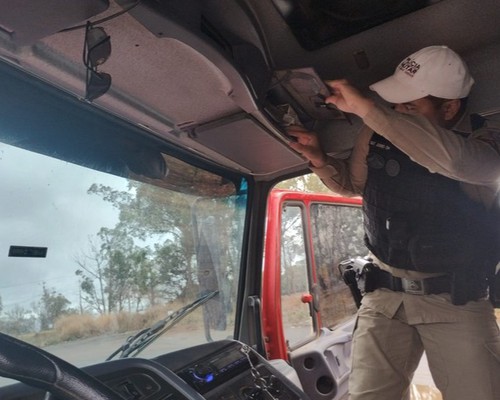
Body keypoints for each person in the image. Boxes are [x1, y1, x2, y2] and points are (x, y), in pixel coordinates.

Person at [287, 45, 500, 400]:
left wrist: (369, 111)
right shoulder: (378, 134)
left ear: (449, 108)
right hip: (384, 296)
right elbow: (353, 185)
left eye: (411, 106)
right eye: (397, 104)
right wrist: (320, 159)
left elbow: (459, 163)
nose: (398, 112)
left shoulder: (484, 142)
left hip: (455, 300)